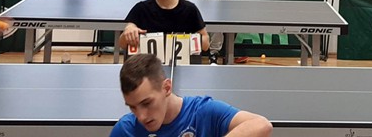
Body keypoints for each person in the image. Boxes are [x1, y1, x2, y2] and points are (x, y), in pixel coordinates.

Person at [110, 53, 272, 137]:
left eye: (147, 103)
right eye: (133, 107)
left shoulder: (203, 112)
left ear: (167, 88)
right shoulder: (125, 130)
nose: (141, 116)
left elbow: (261, 125)